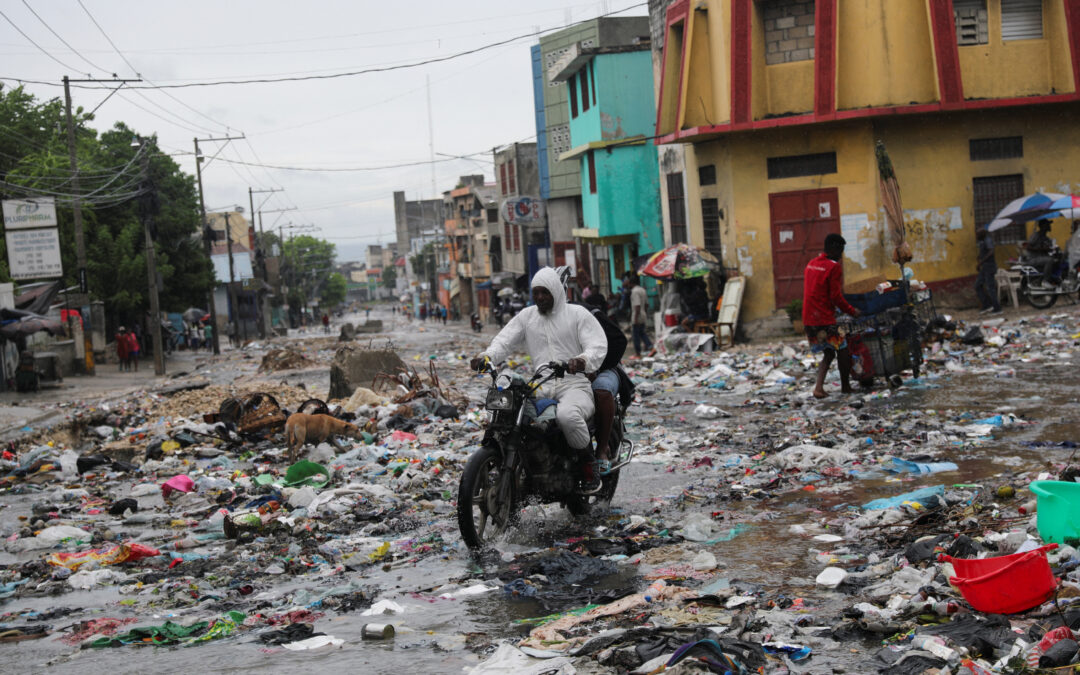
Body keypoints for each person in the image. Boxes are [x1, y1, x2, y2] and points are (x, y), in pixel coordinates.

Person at [471, 267, 608, 490]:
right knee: (512, 417)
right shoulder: (527, 317)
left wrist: (582, 360)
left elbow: (597, 345)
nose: (540, 298)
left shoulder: (577, 314)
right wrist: (486, 357)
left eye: (545, 292)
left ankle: (588, 463)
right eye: (536, 293)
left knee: (567, 416)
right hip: (540, 384)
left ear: (556, 290)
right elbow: (504, 341)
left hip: (574, 385)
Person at [802, 233, 861, 399]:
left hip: (809, 317)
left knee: (829, 352)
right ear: (834, 248)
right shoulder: (834, 267)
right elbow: (836, 296)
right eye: (841, 250)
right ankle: (845, 386)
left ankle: (819, 388)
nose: (841, 255)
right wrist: (851, 310)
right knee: (842, 348)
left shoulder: (811, 264)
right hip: (824, 319)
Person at [974, 229, 1002, 315]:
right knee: (977, 285)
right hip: (985, 268)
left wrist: (981, 262)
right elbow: (985, 252)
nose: (976, 236)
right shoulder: (982, 241)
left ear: (982, 234)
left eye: (978, 234)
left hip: (989, 267)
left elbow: (991, 252)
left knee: (990, 288)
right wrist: (979, 258)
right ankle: (987, 305)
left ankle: (997, 308)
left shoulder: (988, 240)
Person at [628, 275, 653, 356]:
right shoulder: (643, 290)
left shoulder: (634, 291)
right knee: (642, 333)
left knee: (636, 335)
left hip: (637, 315)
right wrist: (644, 313)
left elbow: (637, 305)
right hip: (643, 314)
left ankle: (637, 353)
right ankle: (650, 346)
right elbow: (646, 304)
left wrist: (635, 318)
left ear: (631, 283)